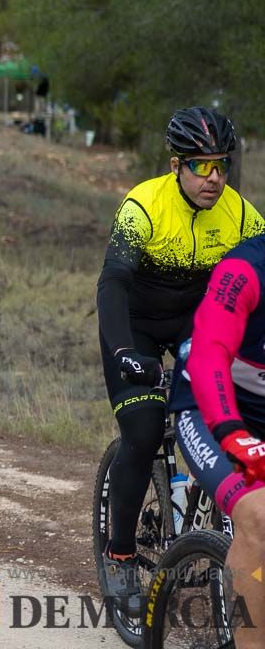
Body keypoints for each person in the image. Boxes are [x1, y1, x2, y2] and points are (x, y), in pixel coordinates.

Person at [95, 107, 263, 614]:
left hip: (198, 328)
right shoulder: (142, 206)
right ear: (176, 166)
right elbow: (113, 283)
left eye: (221, 165)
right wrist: (125, 351)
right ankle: (122, 554)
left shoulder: (241, 215)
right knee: (143, 434)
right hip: (138, 326)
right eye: (200, 166)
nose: (213, 178)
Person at [172, 234, 265, 649]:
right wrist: (232, 433)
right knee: (260, 516)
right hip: (210, 404)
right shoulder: (244, 270)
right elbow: (209, 352)